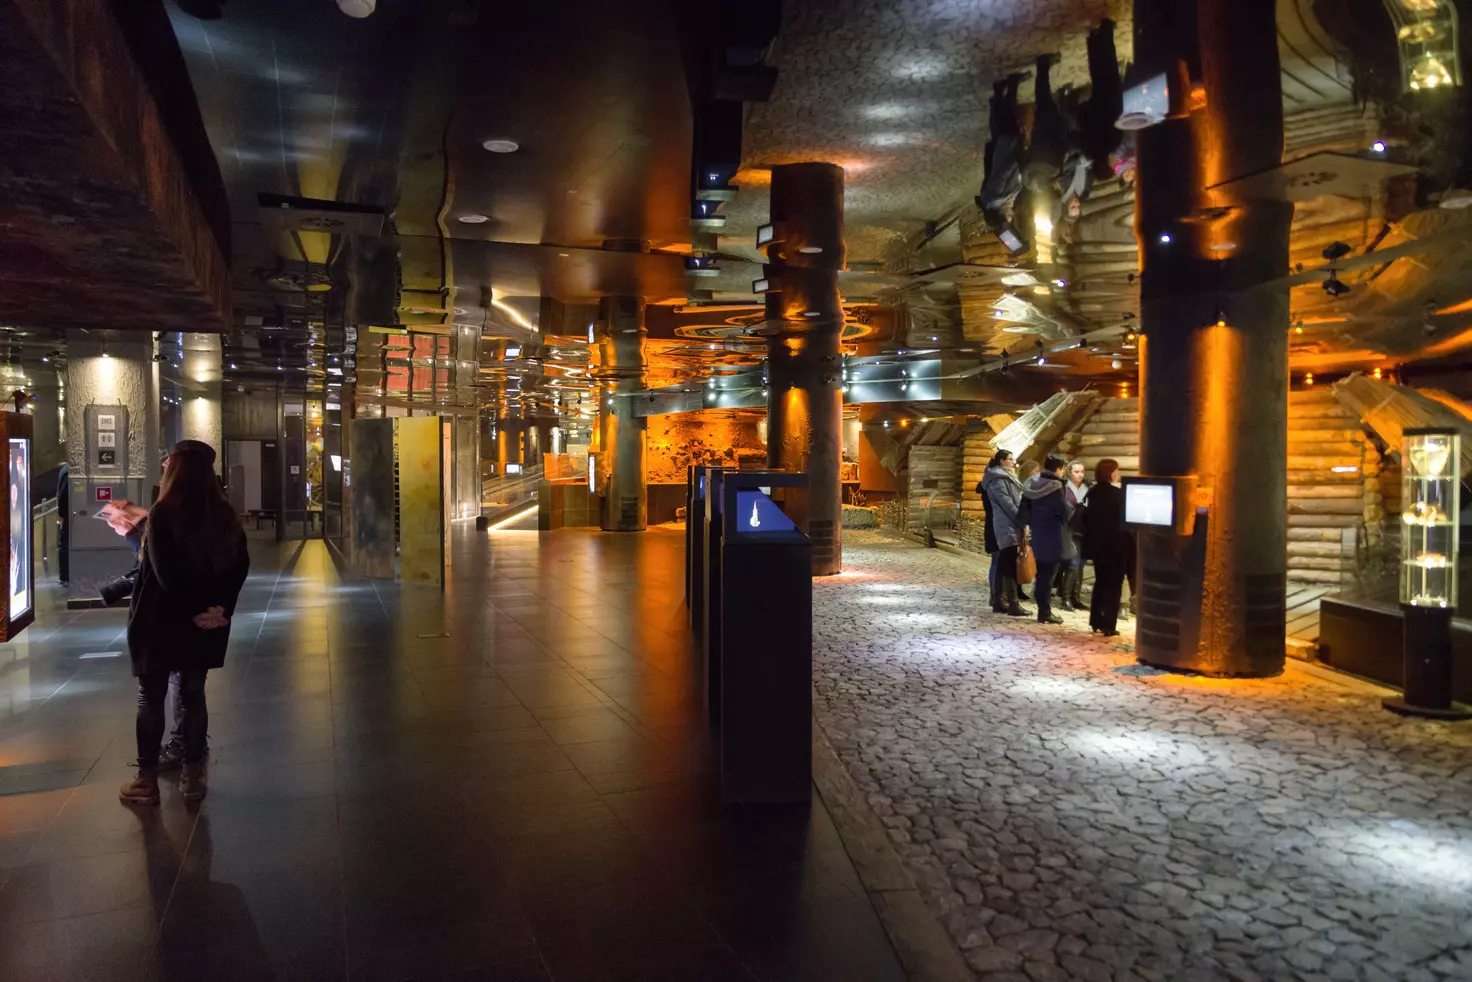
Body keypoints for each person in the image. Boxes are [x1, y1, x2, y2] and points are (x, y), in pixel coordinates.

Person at [119, 441, 248, 806]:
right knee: (193, 696)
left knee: (151, 696)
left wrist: (196, 609)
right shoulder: (225, 514)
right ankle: (192, 776)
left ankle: (146, 781)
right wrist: (219, 609)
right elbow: (240, 566)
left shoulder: (162, 513)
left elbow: (164, 574)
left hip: (161, 622)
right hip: (205, 625)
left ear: (173, 470)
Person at [1082, 458, 1134, 637]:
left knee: (1100, 581)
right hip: (1116, 546)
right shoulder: (1117, 495)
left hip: (1098, 546)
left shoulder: (1092, 493)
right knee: (1113, 585)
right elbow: (1125, 521)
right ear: (1111, 473)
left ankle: (1096, 620)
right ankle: (1108, 624)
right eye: (1116, 471)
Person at [1022, 455, 1073, 624]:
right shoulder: (1055, 486)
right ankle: (1045, 612)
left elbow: (1024, 511)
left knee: (1042, 575)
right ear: (1058, 469)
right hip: (1053, 536)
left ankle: (1043, 610)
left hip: (1038, 534)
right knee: (1047, 577)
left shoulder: (1032, 484)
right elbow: (1065, 512)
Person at [981, 450, 1027, 617]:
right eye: (1009, 459)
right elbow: (1008, 504)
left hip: (1010, 525)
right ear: (1001, 461)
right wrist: (1023, 520)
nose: (1012, 462)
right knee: (1007, 566)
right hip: (1005, 526)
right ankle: (1012, 603)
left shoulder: (1007, 477)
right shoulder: (998, 480)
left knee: (1002, 565)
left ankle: (999, 601)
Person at [1057, 459, 1091, 611]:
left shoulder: (1087, 488)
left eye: (1082, 472)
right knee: (1072, 564)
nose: (1080, 475)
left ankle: (1075, 597)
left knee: (1081, 565)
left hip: (1084, 530)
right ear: (1069, 472)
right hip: (1068, 530)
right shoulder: (1064, 488)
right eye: (1077, 472)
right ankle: (1065, 599)